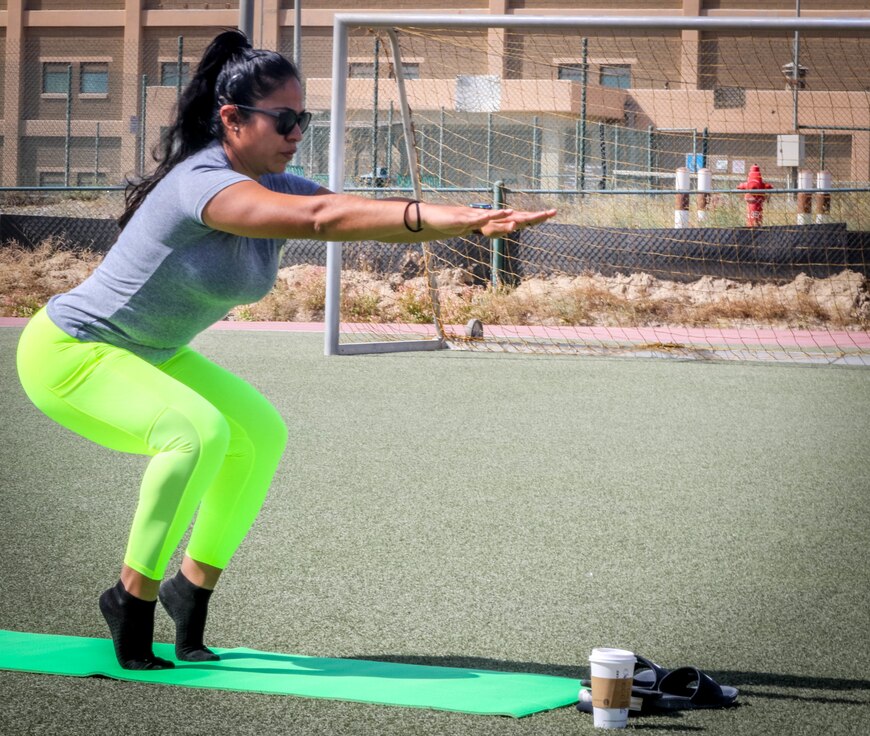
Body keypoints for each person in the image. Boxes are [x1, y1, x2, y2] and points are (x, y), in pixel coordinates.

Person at [15, 29, 556, 671]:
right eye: (285, 118)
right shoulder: (203, 184)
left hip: (150, 351)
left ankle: (191, 592)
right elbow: (320, 223)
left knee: (259, 433)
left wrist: (465, 216)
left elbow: (348, 210)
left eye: (305, 118)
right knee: (196, 434)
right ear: (232, 119)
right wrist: (458, 219)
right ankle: (129, 600)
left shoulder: (278, 183)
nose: (297, 130)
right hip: (71, 351)